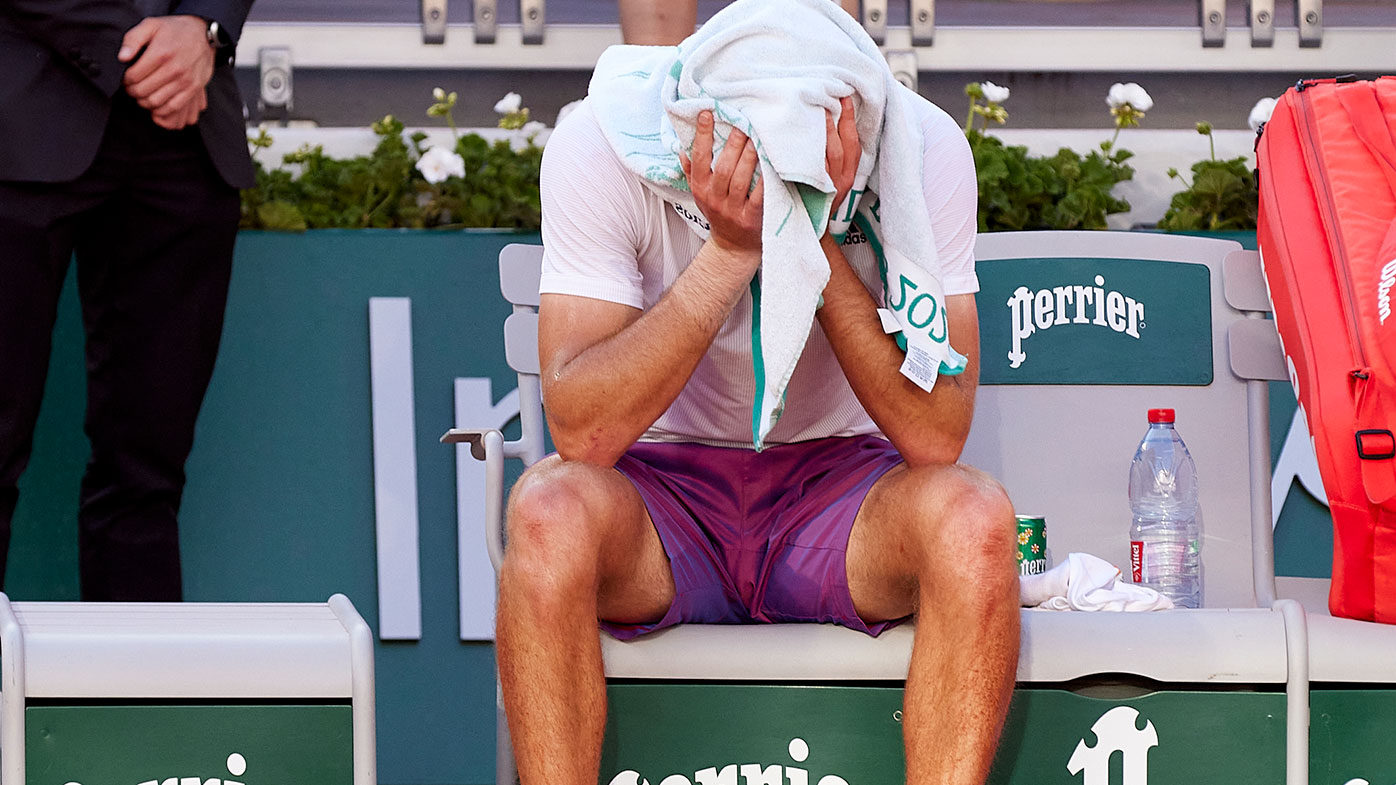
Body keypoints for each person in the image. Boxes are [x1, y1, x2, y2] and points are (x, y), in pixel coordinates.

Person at [498, 5, 1020, 785]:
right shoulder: (605, 136)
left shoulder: (920, 143)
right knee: (545, 512)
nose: (779, 146)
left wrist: (813, 230)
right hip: (659, 492)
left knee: (975, 521)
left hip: (838, 495)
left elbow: (937, 433)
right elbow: (580, 427)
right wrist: (731, 251)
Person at [0, 0, 256, 601]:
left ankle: (137, 697)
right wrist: (146, 48)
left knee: (147, 479)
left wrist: (205, 26)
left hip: (185, 143)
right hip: (17, 121)